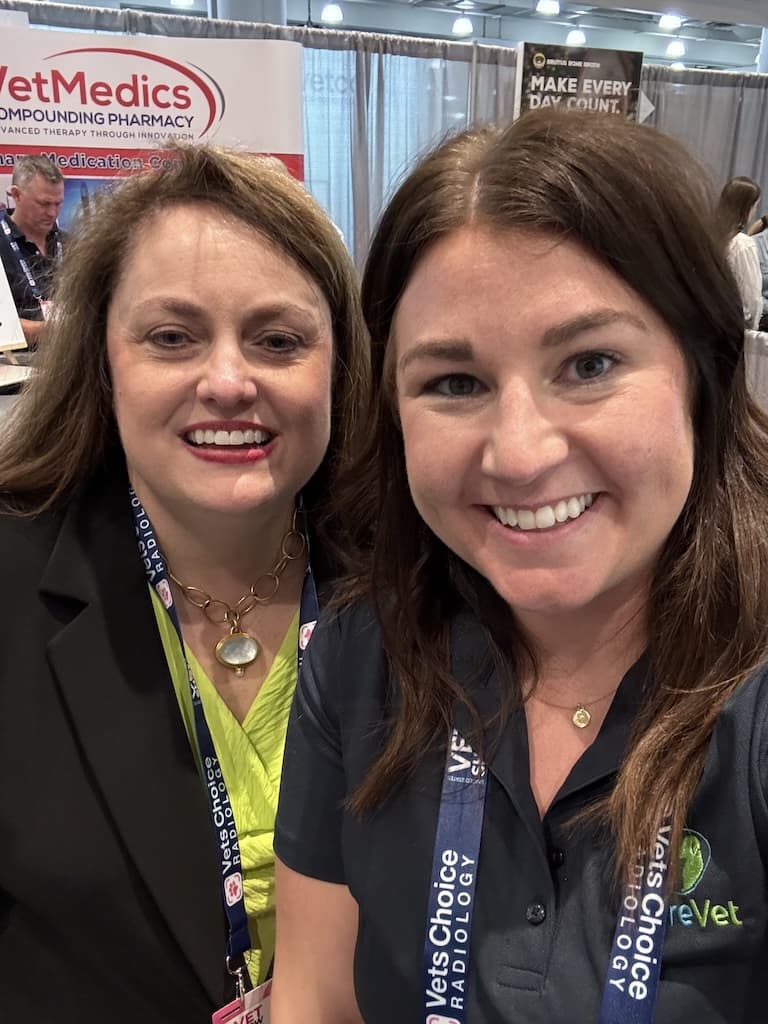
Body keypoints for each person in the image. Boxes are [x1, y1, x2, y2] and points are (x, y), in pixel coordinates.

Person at [272, 109, 768, 1023]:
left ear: (703, 370)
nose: (522, 454)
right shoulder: (357, 656)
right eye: (454, 383)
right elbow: (317, 1000)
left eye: (589, 363)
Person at [0, 144, 369, 1022]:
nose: (229, 382)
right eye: (172, 337)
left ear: (339, 365)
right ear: (102, 361)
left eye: (279, 340)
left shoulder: (418, 585)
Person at [0, 154, 65, 346]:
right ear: (16, 195)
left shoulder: (71, 245)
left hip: (74, 357)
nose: (52, 213)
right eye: (44, 204)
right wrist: (53, 332)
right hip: (16, 361)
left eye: (58, 204)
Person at [715, 175, 763, 329]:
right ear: (747, 208)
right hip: (731, 327)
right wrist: (752, 328)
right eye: (755, 206)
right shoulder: (743, 245)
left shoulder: (707, 235)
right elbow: (751, 300)